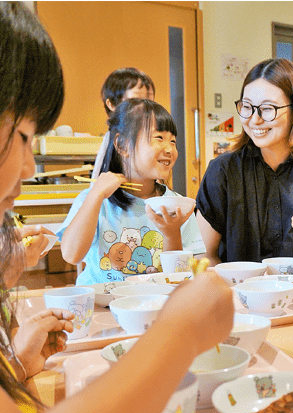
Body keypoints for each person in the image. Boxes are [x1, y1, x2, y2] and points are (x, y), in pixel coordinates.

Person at [0, 4, 233, 413]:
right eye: (24, 135)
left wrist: (11, 365)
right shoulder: (102, 197)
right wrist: (181, 331)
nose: (31, 165)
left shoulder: (174, 200)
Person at [195, 58, 293, 266]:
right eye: (247, 107)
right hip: (239, 295)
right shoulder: (223, 171)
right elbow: (204, 255)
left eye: (268, 108)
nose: (254, 120)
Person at [58, 98, 205, 284]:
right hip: (101, 305)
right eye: (159, 138)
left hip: (154, 305)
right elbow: (71, 256)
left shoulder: (176, 205)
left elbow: (179, 278)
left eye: (173, 141)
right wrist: (95, 195)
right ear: (122, 145)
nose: (169, 149)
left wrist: (171, 233)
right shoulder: (96, 199)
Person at [91, 67, 155, 179]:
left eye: (149, 100)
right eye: (137, 100)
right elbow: (97, 183)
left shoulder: (150, 134)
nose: (145, 106)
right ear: (112, 105)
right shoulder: (115, 138)